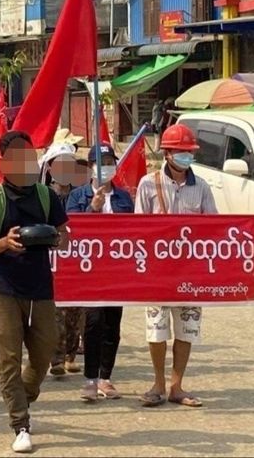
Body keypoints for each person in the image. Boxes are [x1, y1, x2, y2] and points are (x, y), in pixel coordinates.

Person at [0, 131, 68, 454]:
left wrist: (56, 239)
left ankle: (22, 397)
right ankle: (20, 424)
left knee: (45, 350)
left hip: (41, 286)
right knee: (9, 358)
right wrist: (4, 243)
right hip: (5, 287)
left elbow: (65, 234)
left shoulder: (46, 196)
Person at [135, 124, 217, 409]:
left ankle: (176, 386)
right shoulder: (148, 184)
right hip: (158, 272)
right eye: (181, 152)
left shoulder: (202, 187)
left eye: (189, 152)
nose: (186, 157)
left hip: (190, 272)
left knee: (187, 329)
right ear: (167, 153)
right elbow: (138, 228)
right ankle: (158, 383)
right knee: (156, 329)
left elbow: (214, 227)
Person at [66, 144, 134, 402]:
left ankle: (106, 376)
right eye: (101, 162)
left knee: (112, 325)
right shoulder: (78, 196)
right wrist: (92, 209)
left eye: (109, 161)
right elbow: (71, 230)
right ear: (91, 166)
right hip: (90, 271)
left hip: (116, 270)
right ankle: (90, 379)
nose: (106, 166)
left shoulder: (124, 198)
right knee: (93, 323)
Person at [43, 145, 89, 376]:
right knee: (54, 312)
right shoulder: (42, 194)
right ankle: (56, 358)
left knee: (75, 312)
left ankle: (71, 355)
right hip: (49, 260)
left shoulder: (81, 194)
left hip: (76, 259)